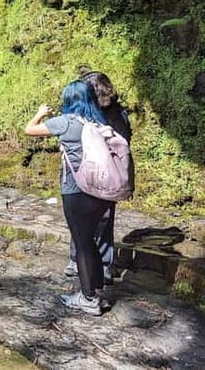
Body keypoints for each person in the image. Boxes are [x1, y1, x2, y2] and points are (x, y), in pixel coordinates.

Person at [25, 81, 112, 315]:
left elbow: (29, 129)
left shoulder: (65, 122)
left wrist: (40, 113)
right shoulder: (96, 122)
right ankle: (96, 292)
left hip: (75, 192)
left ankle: (88, 298)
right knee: (90, 241)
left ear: (69, 100)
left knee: (82, 243)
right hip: (100, 192)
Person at [65, 70, 133, 283]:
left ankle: (89, 263)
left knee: (88, 221)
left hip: (97, 175)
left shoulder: (106, 115)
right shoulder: (116, 113)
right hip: (104, 176)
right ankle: (95, 263)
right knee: (97, 221)